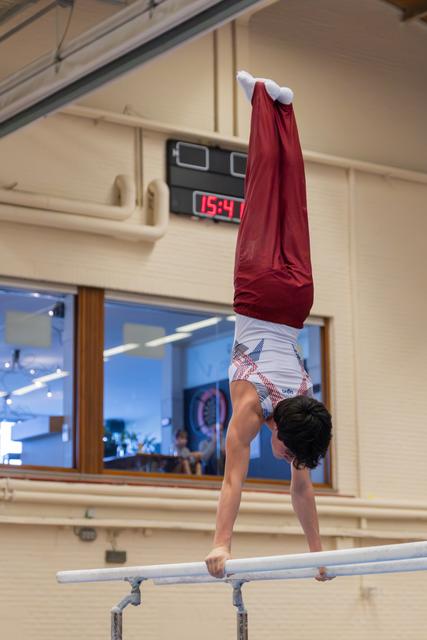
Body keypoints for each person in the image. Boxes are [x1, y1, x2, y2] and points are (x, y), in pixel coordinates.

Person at [204, 71, 333, 581]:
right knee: (262, 192)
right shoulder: (253, 408)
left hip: (298, 300)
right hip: (257, 292)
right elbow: (232, 482)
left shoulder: (304, 407)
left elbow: (301, 489)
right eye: (288, 456)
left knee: (292, 203)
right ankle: (260, 99)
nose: (283, 461)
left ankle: (284, 108)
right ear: (282, 437)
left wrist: (317, 552)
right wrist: (220, 545)